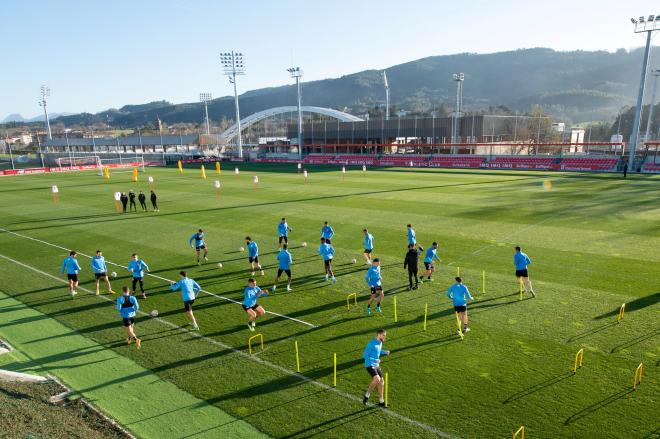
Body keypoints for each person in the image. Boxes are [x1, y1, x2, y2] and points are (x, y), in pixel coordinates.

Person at [362, 328, 390, 406]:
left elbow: (378, 350)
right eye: (383, 335)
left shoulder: (380, 342)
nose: (384, 337)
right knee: (376, 379)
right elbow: (364, 355)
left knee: (381, 382)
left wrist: (385, 352)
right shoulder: (371, 343)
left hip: (376, 365)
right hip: (369, 364)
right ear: (379, 334)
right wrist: (375, 360)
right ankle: (367, 395)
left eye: (385, 335)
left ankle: (381, 401)